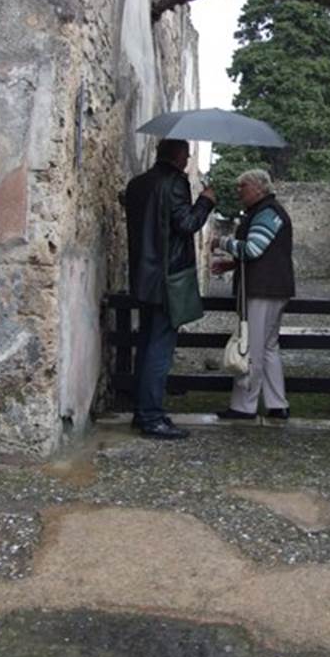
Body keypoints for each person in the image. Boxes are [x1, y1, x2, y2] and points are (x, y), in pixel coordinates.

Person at [124, 139, 215, 439]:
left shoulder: (137, 184)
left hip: (143, 277)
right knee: (159, 350)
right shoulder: (175, 184)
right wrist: (206, 201)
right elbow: (186, 224)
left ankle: (142, 411)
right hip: (167, 280)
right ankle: (151, 417)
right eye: (187, 155)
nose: (188, 161)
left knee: (147, 344)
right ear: (178, 157)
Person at [211, 169, 295, 420]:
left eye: (243, 187)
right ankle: (277, 403)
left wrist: (222, 242)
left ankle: (244, 406)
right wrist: (232, 265)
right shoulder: (269, 211)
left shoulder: (266, 213)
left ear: (259, 188)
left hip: (262, 289)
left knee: (252, 349)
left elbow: (254, 249)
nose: (239, 191)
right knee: (269, 348)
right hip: (274, 287)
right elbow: (264, 253)